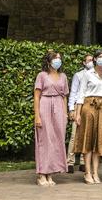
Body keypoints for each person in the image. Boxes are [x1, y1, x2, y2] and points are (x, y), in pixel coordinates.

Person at [75, 49, 102, 184]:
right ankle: (87, 172)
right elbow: (80, 94)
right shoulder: (87, 74)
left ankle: (95, 172)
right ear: (95, 59)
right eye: (100, 57)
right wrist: (77, 113)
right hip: (89, 106)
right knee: (88, 139)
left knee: (99, 142)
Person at [34, 51, 69, 186]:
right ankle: (42, 174)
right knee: (44, 140)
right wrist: (37, 115)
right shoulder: (42, 75)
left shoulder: (63, 76)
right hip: (45, 106)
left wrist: (65, 114)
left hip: (59, 108)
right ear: (49, 61)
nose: (58, 61)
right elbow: (37, 96)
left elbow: (64, 95)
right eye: (55, 58)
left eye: (60, 58)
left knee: (56, 141)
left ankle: (50, 174)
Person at [67, 54, 93, 174]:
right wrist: (71, 109)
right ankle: (70, 162)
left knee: (87, 135)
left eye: (92, 60)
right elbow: (73, 92)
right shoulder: (78, 75)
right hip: (78, 106)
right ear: (83, 62)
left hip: (90, 106)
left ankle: (83, 162)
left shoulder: (96, 75)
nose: (91, 62)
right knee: (74, 135)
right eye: (88, 60)